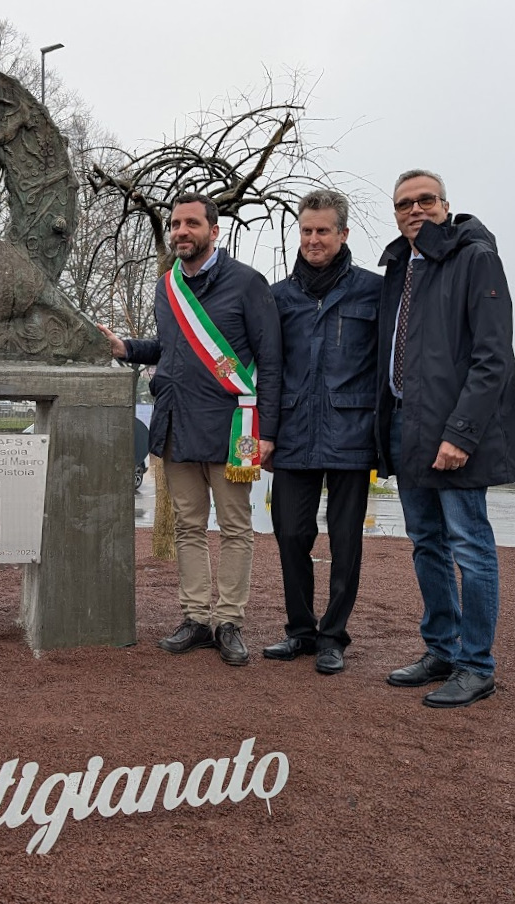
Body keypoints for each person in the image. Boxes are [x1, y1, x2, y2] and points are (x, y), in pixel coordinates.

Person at [99, 193, 281, 666]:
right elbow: (173, 347)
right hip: (177, 424)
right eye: (176, 223)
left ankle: (229, 620)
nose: (181, 231)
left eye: (191, 223)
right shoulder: (167, 286)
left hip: (232, 428)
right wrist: (128, 348)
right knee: (189, 528)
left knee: (237, 528)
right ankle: (197, 618)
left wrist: (269, 431)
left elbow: (273, 362)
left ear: (213, 231)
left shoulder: (248, 283)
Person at [376, 169, 515, 708]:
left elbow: (492, 358)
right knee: (427, 545)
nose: (415, 209)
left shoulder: (474, 257)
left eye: (425, 200)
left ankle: (477, 664)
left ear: (445, 203)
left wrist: (460, 433)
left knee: (470, 547)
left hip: (454, 434)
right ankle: (441, 648)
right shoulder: (399, 266)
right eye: (403, 203)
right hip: (405, 427)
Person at [265, 190, 381, 676]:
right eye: (307, 230)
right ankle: (300, 630)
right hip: (292, 433)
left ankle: (333, 636)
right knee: (290, 533)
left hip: (352, 433)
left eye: (323, 231)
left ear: (343, 234)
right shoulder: (277, 296)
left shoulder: (374, 291)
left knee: (346, 541)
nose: (313, 239)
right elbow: (260, 366)